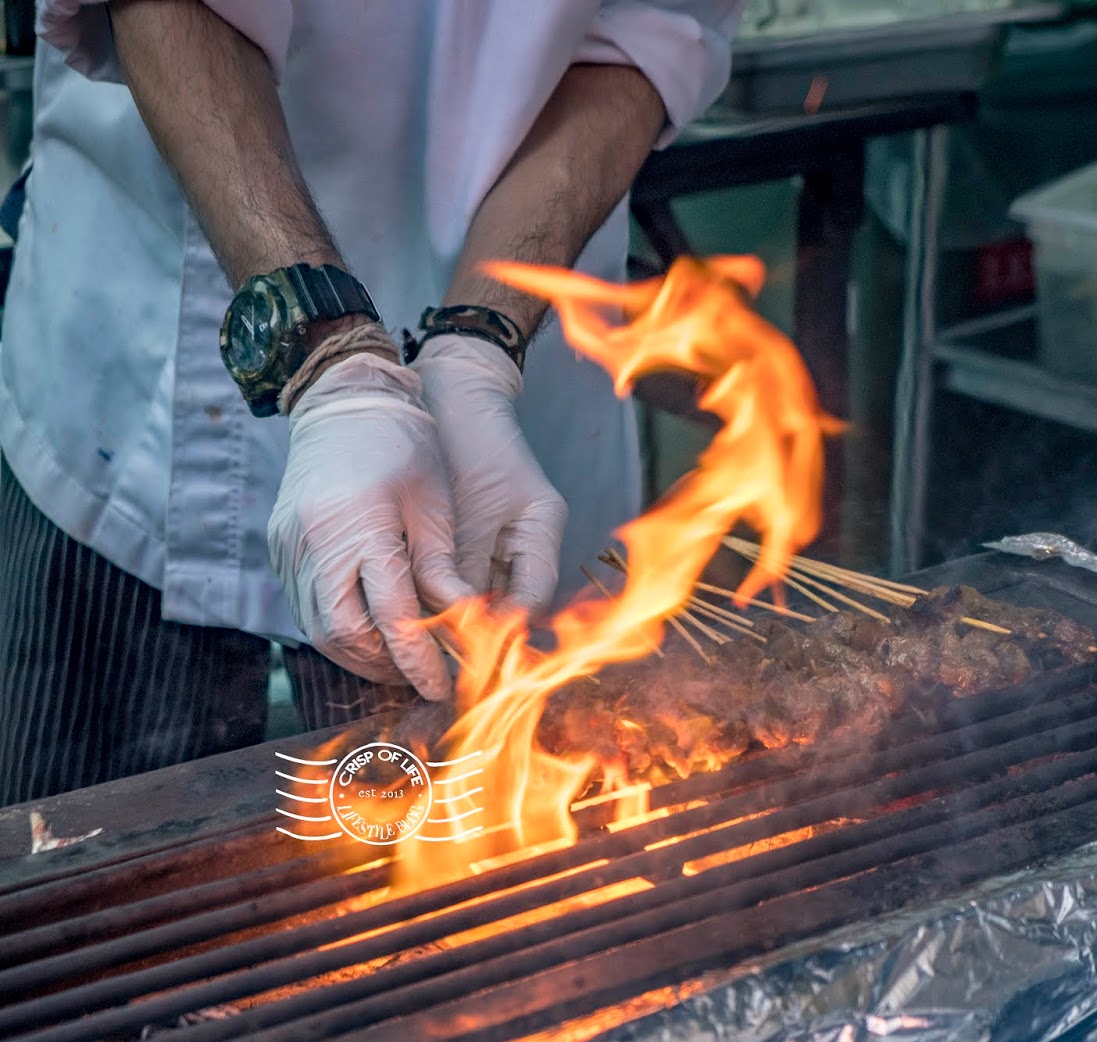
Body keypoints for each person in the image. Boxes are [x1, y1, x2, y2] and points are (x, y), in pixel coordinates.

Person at [0, 0, 744, 804]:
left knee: (476, 892)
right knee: (83, 859)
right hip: (138, 400)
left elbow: (646, 36)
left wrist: (478, 342)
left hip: (510, 392)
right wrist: (331, 360)